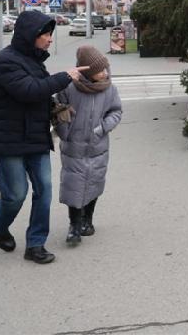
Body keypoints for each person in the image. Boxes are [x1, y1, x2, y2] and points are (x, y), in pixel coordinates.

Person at [0, 11, 87, 264]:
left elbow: (38, 94)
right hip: (9, 140)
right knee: (15, 195)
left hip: (35, 138)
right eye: (46, 34)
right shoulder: (5, 61)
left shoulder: (34, 62)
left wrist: (55, 107)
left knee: (44, 190)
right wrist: (65, 77)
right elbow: (28, 91)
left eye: (51, 34)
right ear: (30, 35)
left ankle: (36, 244)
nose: (50, 39)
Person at [53, 45, 123, 245]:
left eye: (105, 68)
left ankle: (87, 221)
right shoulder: (69, 88)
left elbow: (116, 112)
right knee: (73, 186)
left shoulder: (110, 89)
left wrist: (102, 128)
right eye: (100, 70)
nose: (105, 73)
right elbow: (58, 112)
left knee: (94, 182)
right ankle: (74, 227)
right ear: (88, 72)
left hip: (97, 147)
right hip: (73, 147)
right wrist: (65, 131)